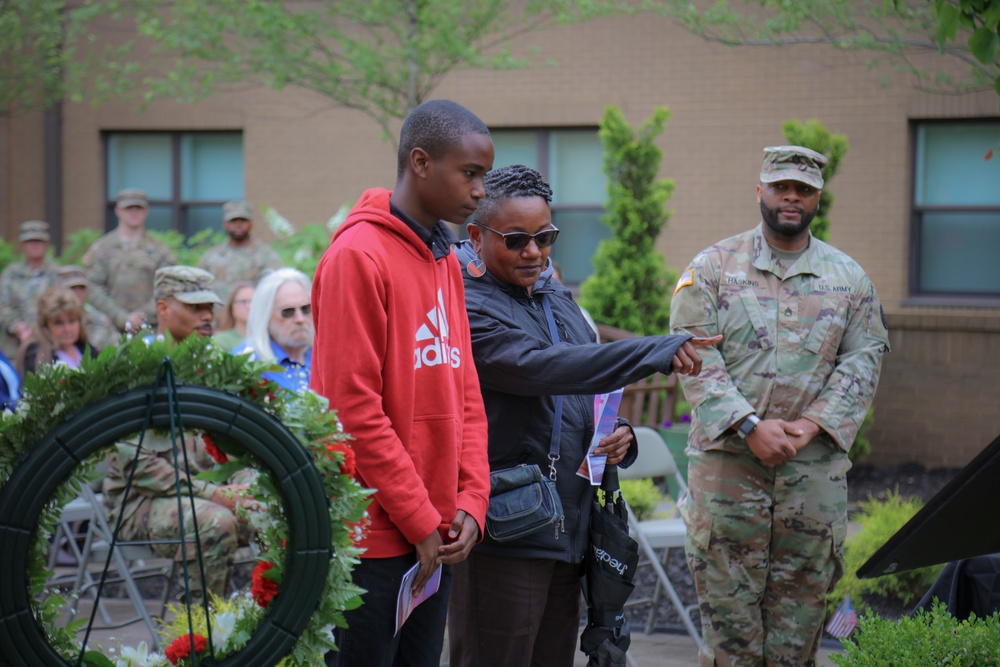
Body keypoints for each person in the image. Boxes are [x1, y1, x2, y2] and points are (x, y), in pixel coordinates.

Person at [449, 164, 718, 667]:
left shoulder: (554, 296)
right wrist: (651, 352)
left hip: (570, 524)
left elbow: (586, 393)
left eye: (545, 237)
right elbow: (542, 369)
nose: (534, 252)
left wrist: (618, 433)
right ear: (476, 235)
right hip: (507, 525)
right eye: (516, 240)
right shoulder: (465, 303)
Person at [669, 145, 890, 666]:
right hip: (729, 476)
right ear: (760, 191)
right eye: (781, 187)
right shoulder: (712, 269)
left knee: (799, 631)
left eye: (804, 189)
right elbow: (694, 357)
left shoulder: (849, 278)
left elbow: (865, 357)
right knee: (730, 635)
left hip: (810, 475)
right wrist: (749, 426)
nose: (792, 197)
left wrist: (813, 426)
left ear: (818, 197)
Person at [310, 99, 493, 667]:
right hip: (376, 538)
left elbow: (465, 391)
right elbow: (351, 408)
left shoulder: (445, 259)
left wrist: (471, 500)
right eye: (470, 173)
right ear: (420, 162)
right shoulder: (357, 257)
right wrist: (418, 518)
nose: (481, 190)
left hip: (435, 537)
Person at [102, 266, 252, 600]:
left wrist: (244, 483)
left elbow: (237, 445)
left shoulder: (215, 368)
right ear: (163, 309)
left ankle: (261, 628)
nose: (207, 316)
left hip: (206, 495)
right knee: (216, 523)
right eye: (195, 307)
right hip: (142, 504)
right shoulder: (136, 370)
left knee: (273, 505)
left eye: (209, 307)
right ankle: (200, 632)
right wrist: (214, 493)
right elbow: (135, 464)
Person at [83, 189, 177, 333]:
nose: (134, 213)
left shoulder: (160, 251)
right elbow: (93, 286)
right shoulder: (101, 248)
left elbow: (167, 289)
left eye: (138, 208)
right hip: (109, 330)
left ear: (146, 212)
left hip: (149, 329)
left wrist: (141, 317)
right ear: (118, 211)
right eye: (129, 208)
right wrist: (121, 317)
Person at [233, 269, 313, 394]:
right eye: (287, 312)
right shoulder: (246, 363)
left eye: (306, 309)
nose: (300, 319)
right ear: (266, 316)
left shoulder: (323, 358)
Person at [197, 199, 282, 305]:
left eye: (243, 221)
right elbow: (199, 288)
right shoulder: (211, 256)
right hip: (217, 318)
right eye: (233, 221)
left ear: (251, 223)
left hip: (251, 317)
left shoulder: (266, 255)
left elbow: (276, 287)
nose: (238, 225)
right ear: (225, 224)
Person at [0, 220, 59, 357]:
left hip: (49, 344)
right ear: (23, 244)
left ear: (46, 243)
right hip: (15, 347)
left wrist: (43, 330)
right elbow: (2, 305)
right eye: (30, 241)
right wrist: (18, 328)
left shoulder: (56, 273)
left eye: (39, 241)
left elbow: (62, 307)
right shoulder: (11, 273)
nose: (34, 245)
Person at [16, 285, 99, 375]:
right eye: (59, 323)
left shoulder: (88, 349)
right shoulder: (34, 354)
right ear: (46, 325)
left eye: (72, 321)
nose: (67, 329)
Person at [55, 265, 120, 351]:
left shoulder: (100, 320)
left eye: (82, 288)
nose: (78, 293)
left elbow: (116, 347)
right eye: (72, 288)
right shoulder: (52, 323)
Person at [213, 281, 255, 351]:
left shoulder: (269, 339)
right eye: (243, 301)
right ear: (231, 306)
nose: (249, 306)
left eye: (253, 301)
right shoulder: (220, 341)